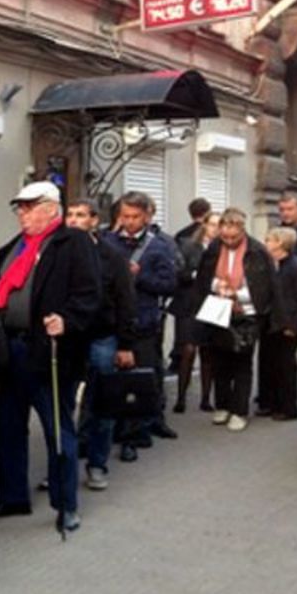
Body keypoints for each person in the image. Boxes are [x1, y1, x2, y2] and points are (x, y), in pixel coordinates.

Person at [0, 182, 99, 533]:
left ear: (51, 208)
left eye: (29, 207)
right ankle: (13, 497)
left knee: (57, 430)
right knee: (8, 426)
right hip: (12, 350)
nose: (22, 213)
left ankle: (66, 505)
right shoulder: (14, 247)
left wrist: (68, 319)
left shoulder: (72, 242)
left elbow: (91, 295)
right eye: (20, 207)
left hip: (50, 351)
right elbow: (1, 287)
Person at [103, 191, 180, 460]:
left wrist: (139, 276)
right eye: (125, 216)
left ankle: (136, 434)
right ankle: (109, 429)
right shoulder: (107, 241)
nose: (130, 222)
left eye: (135, 217)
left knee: (140, 376)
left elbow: (169, 285)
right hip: (112, 319)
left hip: (144, 320)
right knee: (110, 377)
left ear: (146, 216)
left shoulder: (160, 246)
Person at [66, 199, 136, 491]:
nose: (73, 220)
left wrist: (125, 344)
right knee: (63, 408)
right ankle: (62, 469)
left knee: (101, 406)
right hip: (68, 339)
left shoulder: (110, 255)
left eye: (80, 215)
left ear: (94, 220)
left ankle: (97, 463)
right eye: (69, 214)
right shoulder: (57, 252)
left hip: (103, 337)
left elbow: (125, 300)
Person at [195, 208, 275, 432]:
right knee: (219, 360)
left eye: (234, 237)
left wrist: (236, 294)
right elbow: (204, 278)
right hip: (218, 310)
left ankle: (239, 410)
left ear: (242, 230)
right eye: (224, 236)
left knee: (242, 362)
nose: (229, 240)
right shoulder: (214, 248)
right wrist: (217, 286)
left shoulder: (257, 251)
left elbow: (264, 288)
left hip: (247, 313)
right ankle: (222, 406)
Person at [171, 199, 216, 414]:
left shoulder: (222, 249)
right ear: (204, 225)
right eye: (213, 225)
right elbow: (179, 273)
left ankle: (206, 398)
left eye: (220, 225)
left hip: (212, 304)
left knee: (208, 352)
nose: (217, 229)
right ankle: (180, 397)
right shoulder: (188, 244)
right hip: (189, 303)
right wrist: (198, 275)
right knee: (188, 349)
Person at [260, 227, 297, 421]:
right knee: (272, 364)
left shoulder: (295, 266)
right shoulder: (274, 264)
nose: (266, 243)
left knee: (286, 367)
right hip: (273, 322)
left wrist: (294, 326)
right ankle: (271, 403)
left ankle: (288, 408)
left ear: (280, 243)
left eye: (269, 240)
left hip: (288, 324)